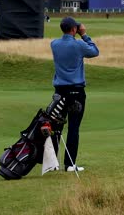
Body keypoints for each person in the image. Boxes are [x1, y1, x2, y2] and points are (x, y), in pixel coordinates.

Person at [50, 17, 99, 172]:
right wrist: (84, 34)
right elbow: (94, 51)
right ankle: (70, 164)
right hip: (76, 92)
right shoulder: (79, 44)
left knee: (56, 127)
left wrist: (75, 33)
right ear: (73, 30)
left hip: (59, 92)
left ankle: (52, 163)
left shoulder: (54, 44)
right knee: (73, 127)